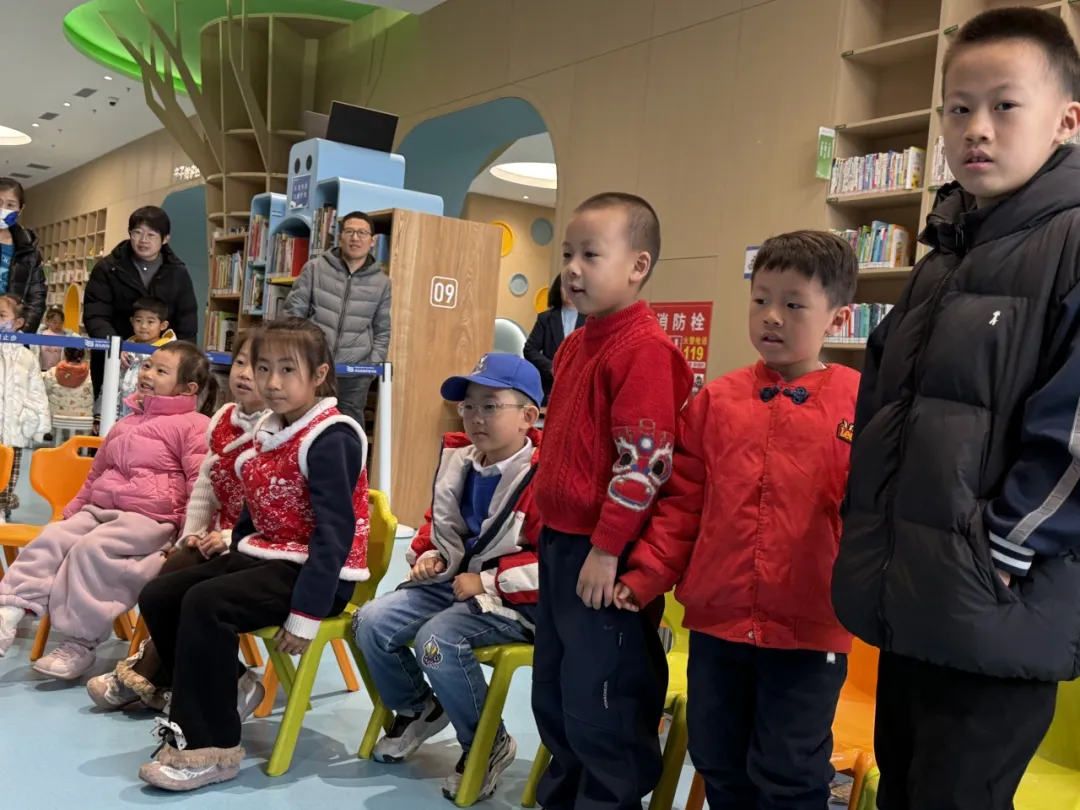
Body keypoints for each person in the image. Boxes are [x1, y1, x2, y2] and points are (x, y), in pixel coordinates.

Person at [832, 9, 1080, 810]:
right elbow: (887, 408)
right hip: (916, 599)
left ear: (1067, 120)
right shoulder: (943, 255)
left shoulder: (1072, 241)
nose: (977, 128)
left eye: (1005, 106)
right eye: (959, 108)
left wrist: (1003, 548)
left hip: (996, 606)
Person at [615, 231, 860, 810]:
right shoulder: (716, 401)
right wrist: (645, 575)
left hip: (809, 628)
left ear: (838, 317)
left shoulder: (860, 403)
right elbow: (681, 504)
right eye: (760, 300)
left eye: (794, 304)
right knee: (719, 758)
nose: (772, 316)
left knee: (790, 769)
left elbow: (875, 516)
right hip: (718, 622)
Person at [135, 317, 371, 792]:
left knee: (207, 604)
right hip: (268, 556)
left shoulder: (333, 437)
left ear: (319, 374)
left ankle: (211, 748)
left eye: (288, 370)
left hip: (316, 575)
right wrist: (236, 548)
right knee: (161, 594)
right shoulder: (270, 426)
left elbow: (335, 534)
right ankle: (230, 685)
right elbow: (255, 502)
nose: (272, 382)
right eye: (264, 368)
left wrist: (305, 615)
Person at [530, 192, 693, 810]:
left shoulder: (643, 350)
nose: (573, 269)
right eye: (567, 255)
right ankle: (565, 797)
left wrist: (605, 550)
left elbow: (643, 465)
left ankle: (608, 801)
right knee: (555, 691)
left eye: (591, 255)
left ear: (637, 266)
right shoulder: (577, 343)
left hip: (604, 554)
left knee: (602, 698)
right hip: (560, 545)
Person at [353, 352, 544, 801]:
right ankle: (419, 708)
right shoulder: (461, 458)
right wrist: (430, 554)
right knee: (370, 621)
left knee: (436, 642)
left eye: (491, 405)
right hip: (454, 584)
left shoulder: (545, 477)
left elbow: (553, 563)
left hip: (515, 600)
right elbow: (439, 523)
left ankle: (486, 742)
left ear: (528, 417)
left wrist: (489, 583)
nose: (476, 416)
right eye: (468, 405)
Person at [0, 341, 215, 680]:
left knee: (92, 550)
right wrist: (72, 512)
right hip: (100, 509)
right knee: (54, 536)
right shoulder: (125, 424)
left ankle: (80, 642)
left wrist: (188, 535)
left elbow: (200, 485)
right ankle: (11, 608)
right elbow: (96, 474)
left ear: (188, 388)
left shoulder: (194, 425)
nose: (148, 374)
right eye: (148, 366)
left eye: (161, 371)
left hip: (151, 519)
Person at [87, 331, 267, 712]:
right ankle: (175, 676)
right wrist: (193, 534)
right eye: (240, 362)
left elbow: (274, 507)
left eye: (260, 367)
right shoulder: (224, 418)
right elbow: (205, 486)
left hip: (256, 545)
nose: (245, 373)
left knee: (187, 590)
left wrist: (228, 537)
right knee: (172, 573)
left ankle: (151, 674)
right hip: (223, 537)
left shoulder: (280, 429)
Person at [284, 210, 391, 424]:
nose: (355, 238)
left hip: (355, 376)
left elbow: (382, 330)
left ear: (372, 241)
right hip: (312, 366)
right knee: (303, 424)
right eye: (349, 231)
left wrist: (370, 367)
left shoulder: (382, 282)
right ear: (340, 236)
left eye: (362, 233)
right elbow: (293, 316)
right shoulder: (315, 268)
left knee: (348, 428)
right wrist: (299, 357)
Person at [83, 206, 198, 402]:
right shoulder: (108, 268)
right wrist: (115, 347)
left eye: (151, 235)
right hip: (115, 359)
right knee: (109, 412)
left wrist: (183, 360)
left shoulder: (177, 272)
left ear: (165, 239)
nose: (143, 240)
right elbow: (96, 313)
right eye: (137, 233)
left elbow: (186, 320)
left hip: (163, 365)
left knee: (157, 413)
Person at [0, 294, 50, 520]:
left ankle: (3, 505)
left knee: (9, 470)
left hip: (14, 429)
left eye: (2, 315)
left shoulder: (27, 357)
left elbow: (37, 391)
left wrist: (38, 425)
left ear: (18, 323)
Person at [524, 278, 585, 404]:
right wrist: (551, 367)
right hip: (549, 386)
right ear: (558, 289)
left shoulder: (592, 319)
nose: (569, 291)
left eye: (575, 287)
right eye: (565, 287)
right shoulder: (545, 318)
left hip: (580, 386)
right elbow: (529, 349)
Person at [118, 296, 177, 418]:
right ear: (132, 321)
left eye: (150, 322)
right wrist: (100, 413)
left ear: (163, 325)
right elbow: (113, 382)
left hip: (154, 416)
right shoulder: (124, 350)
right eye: (139, 320)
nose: (143, 326)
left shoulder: (169, 353)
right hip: (122, 415)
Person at [0, 177, 46, 333]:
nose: (3, 209)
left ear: (20, 209)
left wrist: (22, 331)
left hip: (11, 332)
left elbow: (37, 297)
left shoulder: (29, 248)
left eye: (10, 205)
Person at [44, 347, 94, 419]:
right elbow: (94, 395)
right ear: (83, 355)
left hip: (56, 418)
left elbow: (45, 391)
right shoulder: (90, 375)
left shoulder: (52, 372)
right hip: (83, 419)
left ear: (65, 354)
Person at [38, 306, 70, 371]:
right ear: (47, 322)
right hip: (43, 369)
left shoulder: (66, 336)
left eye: (61, 322)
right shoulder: (42, 334)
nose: (58, 325)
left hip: (59, 370)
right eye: (55, 322)